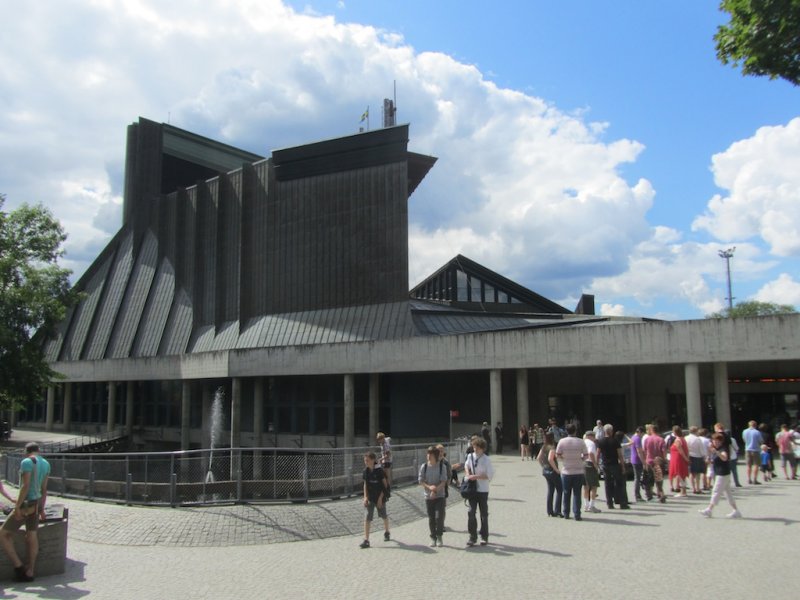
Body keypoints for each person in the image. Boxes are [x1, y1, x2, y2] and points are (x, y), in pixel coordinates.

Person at [0, 442, 51, 582]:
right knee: (32, 536)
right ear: (38, 451)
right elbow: (44, 489)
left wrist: (17, 506)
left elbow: (25, 486)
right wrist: (41, 509)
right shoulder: (46, 464)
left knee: (3, 534)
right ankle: (31, 571)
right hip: (36, 505)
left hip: (25, 504)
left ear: (26, 452)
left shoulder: (27, 462)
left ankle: (19, 567)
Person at [699, 432, 741, 518]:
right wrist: (709, 460)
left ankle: (709, 509)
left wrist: (717, 452)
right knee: (728, 493)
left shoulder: (723, 449)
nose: (715, 443)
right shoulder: (715, 449)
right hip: (720, 472)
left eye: (717, 441)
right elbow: (715, 461)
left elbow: (724, 458)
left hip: (723, 473)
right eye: (714, 441)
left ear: (721, 442)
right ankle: (736, 511)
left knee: (716, 491)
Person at [464, 437, 494, 546]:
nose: (475, 449)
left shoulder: (487, 460)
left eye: (477, 447)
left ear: (482, 448)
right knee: (471, 512)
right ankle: (472, 536)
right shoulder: (470, 456)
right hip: (472, 490)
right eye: (474, 447)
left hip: (483, 490)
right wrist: (468, 474)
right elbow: (466, 465)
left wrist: (476, 477)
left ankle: (484, 536)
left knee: (484, 514)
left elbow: (489, 475)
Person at [556, 423, 586, 521]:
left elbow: (558, 455)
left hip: (566, 471)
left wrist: (564, 459)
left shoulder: (562, 441)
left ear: (566, 431)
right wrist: (580, 459)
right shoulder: (581, 442)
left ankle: (566, 513)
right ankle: (577, 514)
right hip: (578, 471)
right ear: (575, 431)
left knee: (566, 493)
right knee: (577, 493)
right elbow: (586, 455)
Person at [359, 451, 389, 548]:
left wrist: (380, 498)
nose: (366, 462)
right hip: (371, 497)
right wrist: (365, 497)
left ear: (373, 460)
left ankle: (387, 531)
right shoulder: (365, 471)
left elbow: (385, 486)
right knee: (367, 517)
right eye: (365, 460)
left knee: (383, 515)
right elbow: (365, 484)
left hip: (380, 496)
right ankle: (366, 540)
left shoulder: (380, 471)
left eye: (367, 460)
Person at [419, 446, 448, 547]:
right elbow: (421, 481)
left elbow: (443, 481)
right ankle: (433, 537)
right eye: (427, 454)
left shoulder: (442, 466)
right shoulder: (424, 466)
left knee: (439, 517)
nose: (428, 456)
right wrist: (429, 487)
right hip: (428, 496)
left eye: (430, 454)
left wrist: (435, 490)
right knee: (431, 518)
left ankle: (439, 536)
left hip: (440, 495)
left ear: (435, 456)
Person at [596, 424, 630, 509]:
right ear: (611, 431)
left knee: (607, 484)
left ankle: (609, 503)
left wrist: (596, 464)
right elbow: (620, 455)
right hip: (614, 464)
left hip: (605, 465)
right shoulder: (615, 441)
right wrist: (622, 466)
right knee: (619, 483)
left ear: (604, 431)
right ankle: (622, 503)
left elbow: (598, 453)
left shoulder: (600, 441)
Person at [537, 432, 562, 518]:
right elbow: (550, 459)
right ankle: (557, 510)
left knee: (550, 490)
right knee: (560, 490)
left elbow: (538, 458)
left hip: (546, 471)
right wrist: (557, 470)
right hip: (552, 471)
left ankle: (549, 510)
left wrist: (543, 466)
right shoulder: (552, 447)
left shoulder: (543, 447)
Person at [643, 424, 667, 503]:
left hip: (649, 461)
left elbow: (645, 451)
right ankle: (660, 493)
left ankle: (649, 495)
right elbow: (664, 451)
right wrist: (664, 460)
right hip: (658, 462)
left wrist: (645, 461)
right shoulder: (661, 440)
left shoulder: (647, 439)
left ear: (652, 430)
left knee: (650, 479)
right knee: (659, 479)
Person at [582, 431, 602, 513]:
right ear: (590, 436)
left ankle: (586, 505)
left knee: (586, 486)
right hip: (590, 463)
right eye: (594, 437)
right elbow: (590, 453)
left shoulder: (582, 442)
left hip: (583, 463)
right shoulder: (591, 443)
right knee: (594, 486)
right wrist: (595, 464)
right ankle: (592, 506)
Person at [668, 426, 689, 497]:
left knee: (680, 474)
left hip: (678, 459)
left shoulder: (678, 440)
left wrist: (686, 458)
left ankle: (683, 492)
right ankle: (683, 491)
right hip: (679, 459)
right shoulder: (682, 439)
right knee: (681, 475)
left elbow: (681, 451)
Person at [685, 426, 707, 494]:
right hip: (697, 456)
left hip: (689, 456)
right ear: (695, 431)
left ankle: (693, 488)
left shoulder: (686, 438)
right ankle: (698, 488)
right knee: (697, 474)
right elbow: (701, 449)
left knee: (691, 473)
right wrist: (704, 456)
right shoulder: (697, 439)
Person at [742, 420, 763, 484]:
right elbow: (761, 441)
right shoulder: (757, 432)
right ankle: (755, 479)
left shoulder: (744, 431)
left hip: (747, 449)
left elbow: (744, 439)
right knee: (756, 465)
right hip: (756, 449)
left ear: (749, 425)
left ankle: (749, 479)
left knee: (749, 465)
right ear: (755, 425)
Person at [630, 426, 645, 502]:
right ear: (640, 432)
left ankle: (637, 495)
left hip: (633, 459)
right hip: (637, 460)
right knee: (638, 478)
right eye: (642, 433)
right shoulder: (637, 439)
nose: (642, 435)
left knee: (637, 478)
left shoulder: (632, 437)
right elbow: (639, 451)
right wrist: (643, 462)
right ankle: (637, 495)